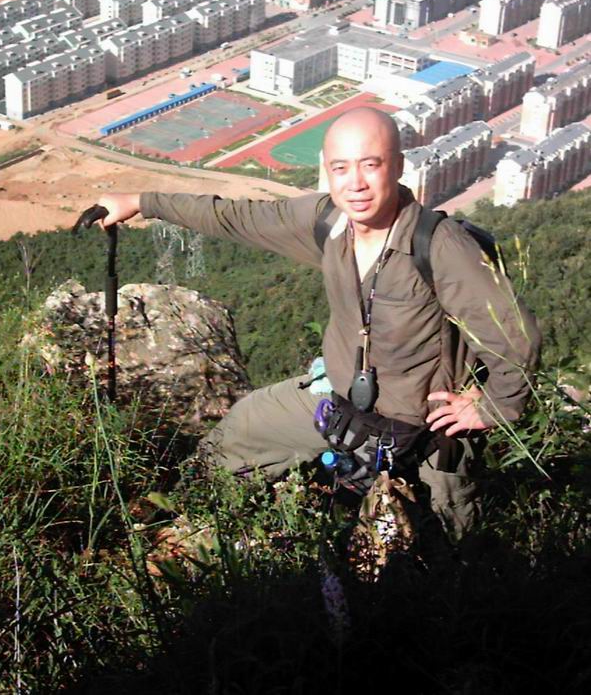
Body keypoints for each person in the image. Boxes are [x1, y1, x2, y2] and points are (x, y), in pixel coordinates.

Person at [95, 107, 541, 538]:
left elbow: (515, 336)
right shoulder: (329, 223)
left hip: (420, 435)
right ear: (327, 170)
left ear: (399, 167)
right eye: (341, 168)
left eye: (371, 165)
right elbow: (236, 216)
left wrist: (493, 407)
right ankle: (172, 518)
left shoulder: (439, 246)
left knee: (440, 544)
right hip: (341, 406)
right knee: (244, 427)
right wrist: (141, 202)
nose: (356, 183)